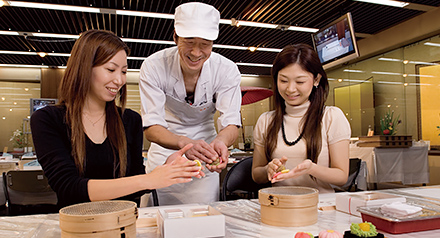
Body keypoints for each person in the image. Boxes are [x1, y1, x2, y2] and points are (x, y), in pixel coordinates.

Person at [31, 29, 203, 209]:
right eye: (111, 70)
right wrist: (149, 179)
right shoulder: (47, 119)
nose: (119, 80)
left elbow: (134, 187)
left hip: (125, 224)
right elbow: (69, 188)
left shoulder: (130, 120)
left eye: (123, 72)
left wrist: (164, 171)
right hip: (78, 228)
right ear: (84, 67)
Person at [139, 2, 242, 205]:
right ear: (175, 37)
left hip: (206, 150)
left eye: (205, 44)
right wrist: (183, 143)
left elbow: (231, 123)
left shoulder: (226, 70)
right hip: (165, 149)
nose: (196, 52)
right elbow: (152, 128)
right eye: (189, 41)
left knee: (203, 217)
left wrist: (220, 142)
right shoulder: (154, 66)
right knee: (155, 217)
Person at [251, 44, 350, 193]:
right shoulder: (266, 121)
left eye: (300, 82)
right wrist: (268, 169)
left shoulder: (331, 117)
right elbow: (256, 175)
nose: (290, 89)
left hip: (321, 206)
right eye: (283, 81)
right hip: (280, 205)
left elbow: (342, 176)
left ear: (316, 80)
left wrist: (312, 169)